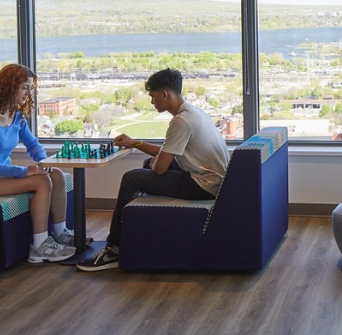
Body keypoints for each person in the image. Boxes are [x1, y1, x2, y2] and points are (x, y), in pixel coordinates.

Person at [78, 68, 230, 271]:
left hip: (204, 185)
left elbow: (159, 169)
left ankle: (114, 249)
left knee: (131, 178)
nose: (152, 102)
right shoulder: (193, 112)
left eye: (153, 96)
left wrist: (154, 163)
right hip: (214, 180)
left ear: (165, 94)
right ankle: (143, 230)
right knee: (143, 169)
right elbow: (168, 151)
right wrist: (135, 143)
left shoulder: (180, 121)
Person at [0, 63, 77, 263]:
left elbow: (33, 145)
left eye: (30, 88)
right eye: (24, 87)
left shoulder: (17, 117)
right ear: (8, 87)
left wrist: (43, 161)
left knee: (55, 174)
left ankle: (60, 233)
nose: (29, 93)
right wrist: (24, 171)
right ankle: (39, 246)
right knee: (41, 181)